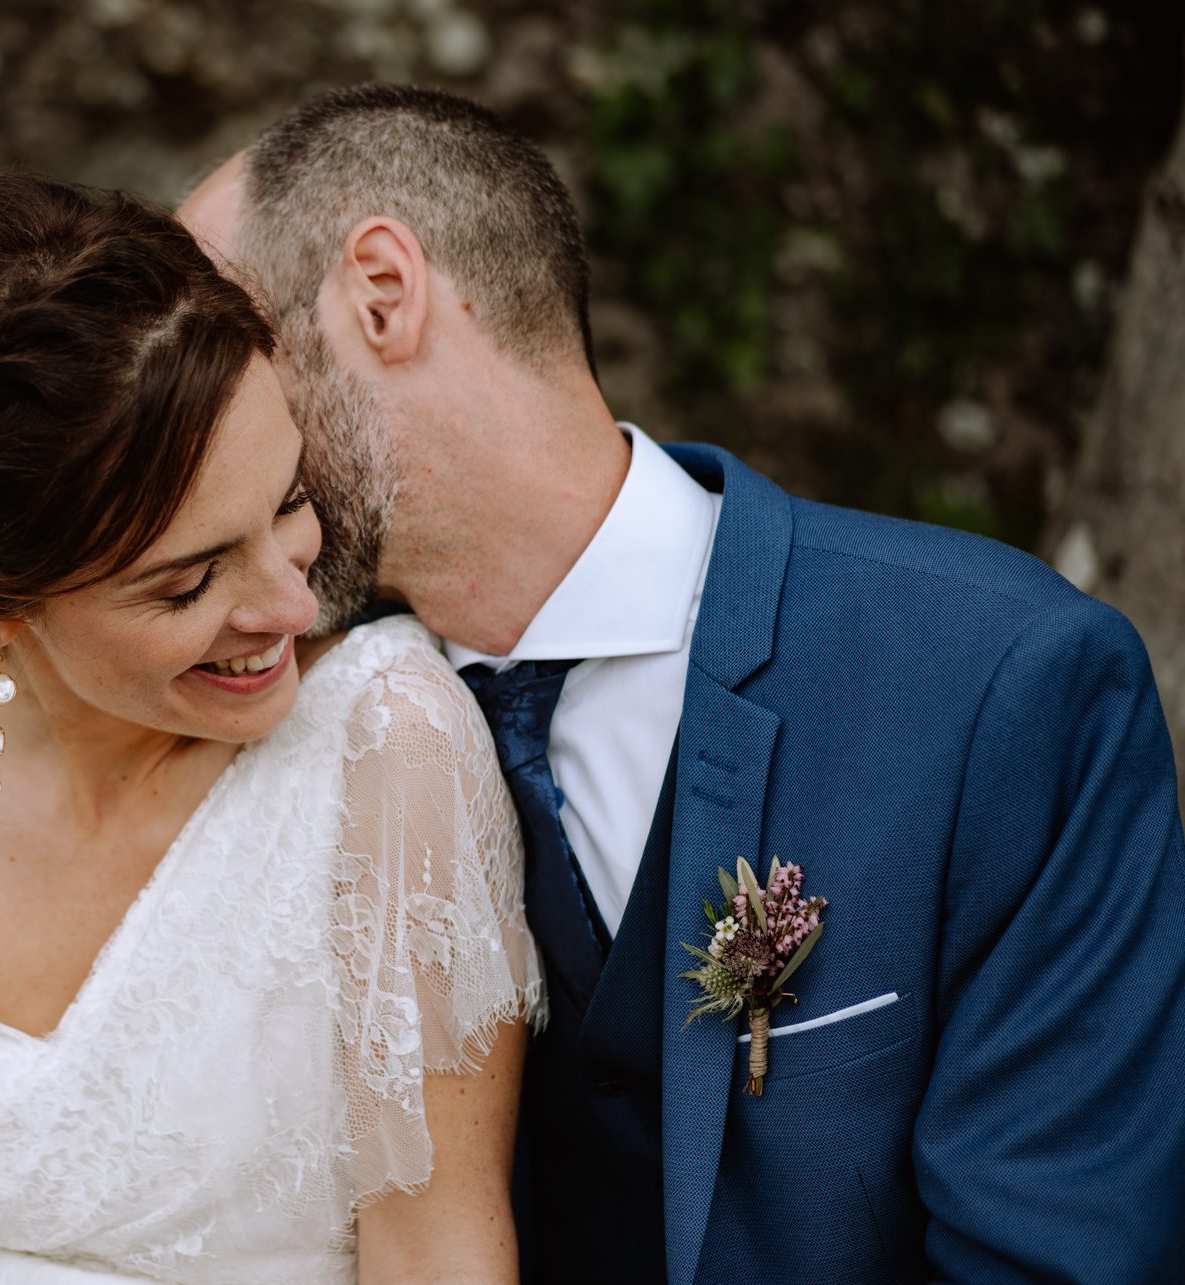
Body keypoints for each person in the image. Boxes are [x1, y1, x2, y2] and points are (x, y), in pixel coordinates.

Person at [178, 83, 1185, 1284]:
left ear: (381, 295)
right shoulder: (278, 731)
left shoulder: (998, 681)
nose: (176, 425)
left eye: (217, 353)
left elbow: (1055, 1251)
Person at [0, 169, 546, 1284]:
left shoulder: (385, 751)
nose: (290, 604)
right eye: (187, 584)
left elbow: (437, 1248)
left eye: (286, 502)